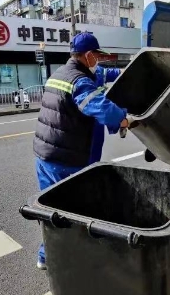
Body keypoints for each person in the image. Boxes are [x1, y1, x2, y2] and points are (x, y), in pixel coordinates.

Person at [33, 32, 129, 269]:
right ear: (88, 56)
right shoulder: (80, 82)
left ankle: (46, 256)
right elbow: (102, 108)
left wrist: (127, 71)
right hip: (67, 159)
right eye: (97, 56)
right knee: (76, 209)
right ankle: (78, 261)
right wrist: (124, 120)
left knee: (51, 209)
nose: (99, 61)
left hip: (45, 155)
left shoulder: (60, 74)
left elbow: (108, 74)